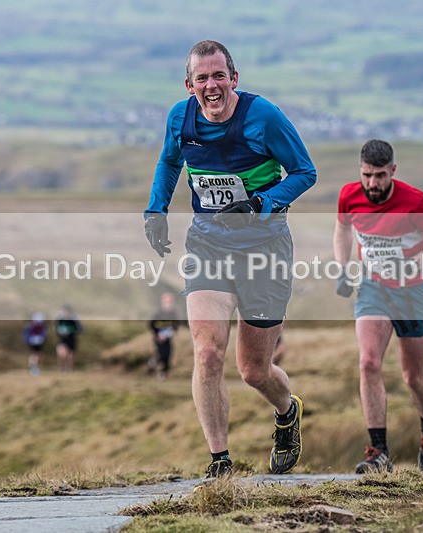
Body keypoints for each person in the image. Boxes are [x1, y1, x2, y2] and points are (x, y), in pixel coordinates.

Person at [144, 40, 316, 477]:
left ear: (234, 79)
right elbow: (169, 163)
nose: (211, 85)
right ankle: (220, 461)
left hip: (265, 250)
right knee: (207, 353)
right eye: (202, 78)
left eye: (219, 75)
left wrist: (260, 204)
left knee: (254, 371)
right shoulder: (179, 118)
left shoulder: (263, 116)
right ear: (189, 85)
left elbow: (304, 172)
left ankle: (286, 410)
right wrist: (156, 211)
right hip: (209, 246)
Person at [332, 139, 423, 473]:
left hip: (414, 292)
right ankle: (378, 452)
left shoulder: (415, 201)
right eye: (367, 175)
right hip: (373, 287)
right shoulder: (349, 195)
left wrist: (414, 265)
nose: (372, 183)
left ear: (393, 171)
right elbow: (343, 228)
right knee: (369, 362)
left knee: (412, 376)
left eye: (380, 176)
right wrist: (343, 267)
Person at [148, 292, 183, 380]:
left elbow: (176, 324)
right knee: (161, 355)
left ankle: (162, 373)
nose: (168, 303)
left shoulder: (173, 313)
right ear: (162, 302)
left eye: (169, 301)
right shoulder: (158, 313)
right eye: (166, 301)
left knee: (168, 356)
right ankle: (153, 363)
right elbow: (151, 324)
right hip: (159, 339)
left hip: (168, 338)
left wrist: (175, 332)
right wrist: (157, 335)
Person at [55, 305, 83, 373]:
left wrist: (72, 331)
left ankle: (69, 369)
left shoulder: (74, 320)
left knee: (70, 356)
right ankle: (62, 368)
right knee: (62, 354)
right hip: (63, 339)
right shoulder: (60, 319)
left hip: (71, 339)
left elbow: (80, 329)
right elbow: (57, 328)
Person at [23, 312, 47, 376]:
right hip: (32, 342)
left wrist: (43, 339)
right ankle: (33, 368)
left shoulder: (41, 326)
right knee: (34, 355)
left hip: (39, 342)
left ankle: (35, 368)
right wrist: (28, 340)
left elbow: (44, 334)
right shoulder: (29, 326)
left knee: (38, 355)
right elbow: (26, 335)